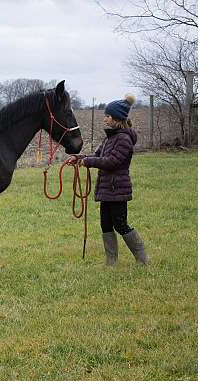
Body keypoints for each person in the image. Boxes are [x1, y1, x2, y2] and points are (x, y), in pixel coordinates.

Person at [67, 94, 148, 266]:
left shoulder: (124, 139)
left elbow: (112, 162)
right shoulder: (110, 138)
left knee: (121, 225)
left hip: (117, 189)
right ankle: (111, 262)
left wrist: (87, 162)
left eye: (108, 116)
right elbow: (97, 156)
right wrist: (79, 158)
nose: (105, 118)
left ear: (117, 118)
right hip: (106, 189)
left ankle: (143, 260)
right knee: (105, 225)